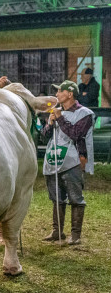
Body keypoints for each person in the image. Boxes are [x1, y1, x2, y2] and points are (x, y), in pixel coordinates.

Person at [41, 79, 96, 245]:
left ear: (70, 94)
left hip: (73, 161)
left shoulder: (84, 113)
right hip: (53, 160)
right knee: (57, 198)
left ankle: (76, 235)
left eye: (60, 91)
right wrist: (50, 123)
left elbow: (76, 134)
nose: (56, 94)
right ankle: (57, 232)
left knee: (75, 198)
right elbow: (44, 136)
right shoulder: (56, 112)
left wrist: (59, 118)